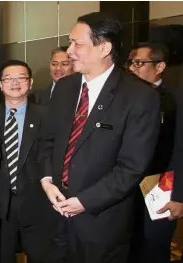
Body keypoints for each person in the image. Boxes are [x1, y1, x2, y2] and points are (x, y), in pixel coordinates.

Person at [38, 12, 160, 263]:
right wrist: (48, 179)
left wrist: (84, 201)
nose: (70, 50)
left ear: (104, 47)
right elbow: (47, 141)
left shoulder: (139, 97)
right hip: (55, 217)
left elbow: (131, 168)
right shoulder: (64, 88)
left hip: (102, 224)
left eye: (77, 43)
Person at [0, 60, 59, 263]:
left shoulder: (47, 114)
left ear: (30, 83)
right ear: (0, 85)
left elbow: (51, 154)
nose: (14, 83)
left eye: (20, 78)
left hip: (37, 202)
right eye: (8, 78)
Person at [126, 42, 180, 263]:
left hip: (161, 187)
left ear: (160, 67)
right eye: (130, 63)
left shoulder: (175, 99)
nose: (132, 68)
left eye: (139, 63)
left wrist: (179, 196)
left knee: (154, 248)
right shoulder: (124, 99)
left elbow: (180, 149)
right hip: (126, 188)